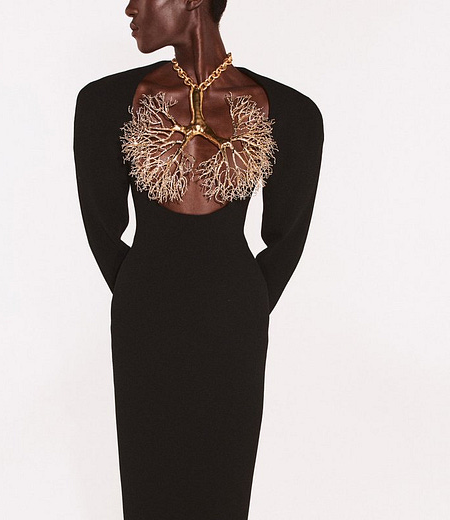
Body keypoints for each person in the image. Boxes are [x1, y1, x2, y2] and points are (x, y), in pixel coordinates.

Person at [73, 0, 324, 518]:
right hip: (145, 325)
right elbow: (101, 225)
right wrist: (143, 290)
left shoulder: (291, 112)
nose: (130, 7)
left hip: (233, 329)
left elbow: (287, 237)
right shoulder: (105, 103)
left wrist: (243, 303)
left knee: (223, 488)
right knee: (148, 488)